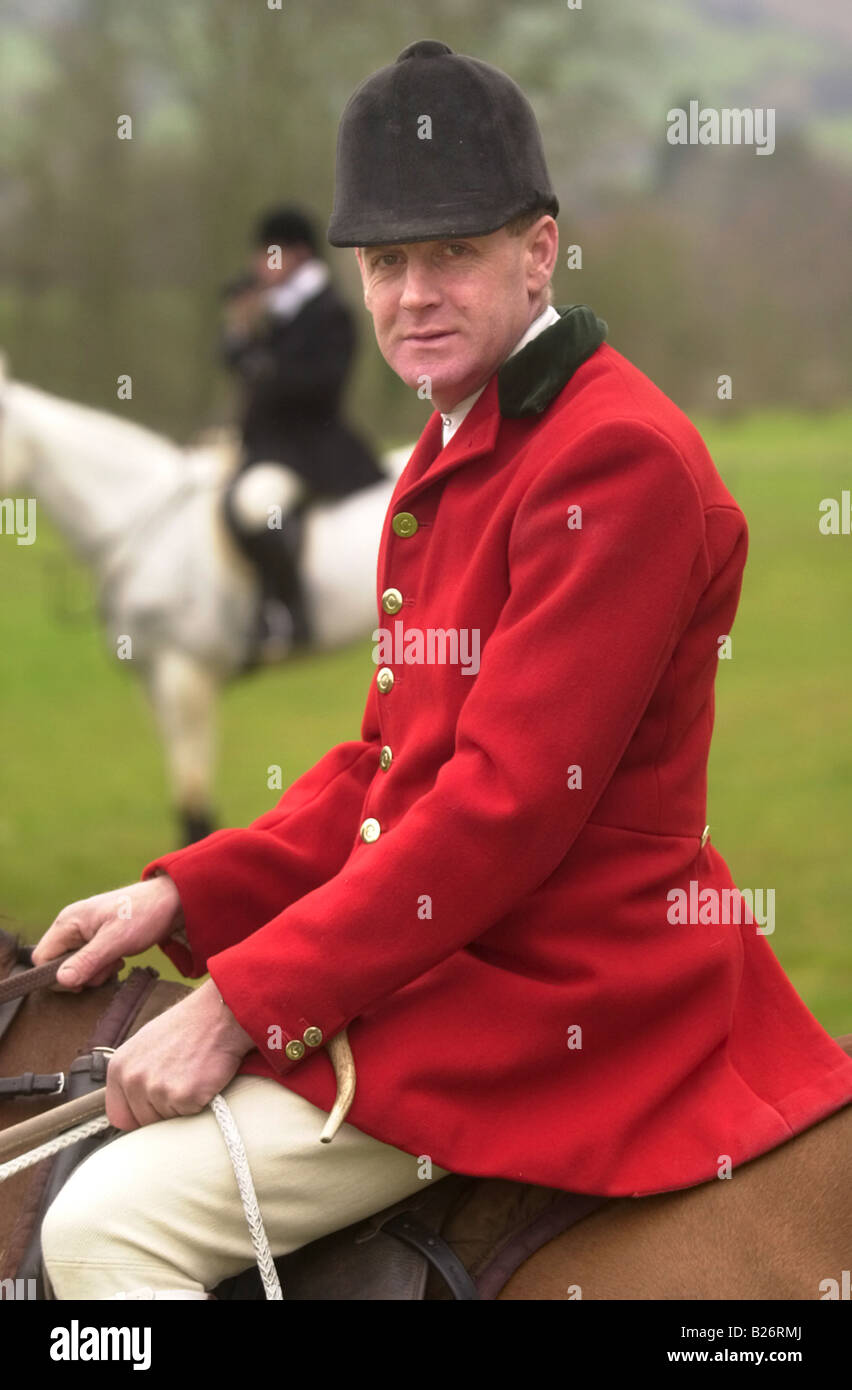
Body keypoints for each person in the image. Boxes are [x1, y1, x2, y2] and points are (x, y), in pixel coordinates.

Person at [35, 39, 852, 1300]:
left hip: (559, 987)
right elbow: (385, 765)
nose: (414, 294)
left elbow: (504, 804)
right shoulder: (457, 436)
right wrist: (187, 898)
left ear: (538, 252)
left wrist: (244, 999)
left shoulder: (611, 460)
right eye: (386, 264)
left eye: (452, 254)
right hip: (456, 948)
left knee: (104, 1231)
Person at [221, 205, 384, 653]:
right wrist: (241, 330)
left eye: (268, 254)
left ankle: (289, 614)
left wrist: (263, 366)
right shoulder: (275, 310)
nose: (259, 265)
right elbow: (236, 366)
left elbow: (319, 385)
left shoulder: (330, 312)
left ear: (295, 255)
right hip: (266, 444)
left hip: (309, 447)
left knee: (253, 507)